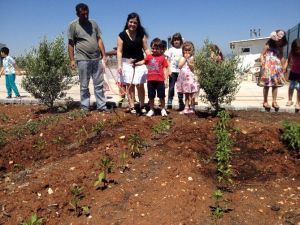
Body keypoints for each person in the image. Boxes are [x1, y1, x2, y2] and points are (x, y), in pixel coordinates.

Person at [68, 3, 108, 112]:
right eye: (82, 14)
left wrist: (104, 55)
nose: (85, 16)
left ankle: (102, 106)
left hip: (96, 58)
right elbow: (71, 43)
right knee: (84, 85)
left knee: (99, 84)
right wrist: (72, 60)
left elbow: (99, 39)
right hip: (82, 58)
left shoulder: (94, 24)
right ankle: (85, 107)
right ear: (77, 14)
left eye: (87, 13)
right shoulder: (73, 25)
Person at [117, 12, 151, 114]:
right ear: (127, 22)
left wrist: (149, 60)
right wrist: (119, 65)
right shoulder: (121, 35)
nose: (133, 24)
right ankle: (132, 106)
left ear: (138, 24)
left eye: (135, 23)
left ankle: (142, 105)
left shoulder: (141, 35)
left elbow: (146, 50)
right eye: (131, 22)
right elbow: (119, 51)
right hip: (126, 63)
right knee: (129, 85)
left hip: (139, 63)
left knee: (140, 85)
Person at [258, 30, 287, 110]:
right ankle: (265, 101)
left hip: (276, 68)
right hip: (268, 67)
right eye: (279, 40)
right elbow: (262, 54)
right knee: (266, 85)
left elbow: (281, 56)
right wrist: (262, 61)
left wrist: (283, 66)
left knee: (275, 85)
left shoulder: (280, 47)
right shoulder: (268, 45)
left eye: (281, 40)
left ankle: (274, 101)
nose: (280, 42)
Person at [140, 38, 168, 117]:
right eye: (153, 48)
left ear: (160, 49)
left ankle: (162, 109)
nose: (154, 50)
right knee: (151, 96)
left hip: (160, 81)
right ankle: (151, 109)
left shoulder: (163, 58)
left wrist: (166, 80)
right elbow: (143, 62)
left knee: (161, 96)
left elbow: (165, 69)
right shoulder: (149, 57)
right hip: (150, 80)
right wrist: (135, 63)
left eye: (156, 48)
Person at [177, 41, 199, 114]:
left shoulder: (193, 58)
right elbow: (179, 66)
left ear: (192, 50)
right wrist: (185, 59)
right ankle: (186, 107)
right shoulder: (182, 58)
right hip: (184, 79)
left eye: (189, 50)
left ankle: (192, 107)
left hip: (191, 79)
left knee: (192, 94)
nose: (187, 51)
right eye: (185, 50)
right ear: (183, 50)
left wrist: (188, 61)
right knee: (186, 94)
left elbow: (193, 68)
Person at [165, 33, 184, 110]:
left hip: (180, 72)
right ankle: (170, 100)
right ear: (172, 41)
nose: (176, 41)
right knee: (171, 87)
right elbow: (168, 61)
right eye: (175, 40)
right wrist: (168, 70)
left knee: (180, 87)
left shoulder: (182, 50)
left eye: (178, 40)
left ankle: (180, 100)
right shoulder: (170, 49)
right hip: (172, 71)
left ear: (180, 41)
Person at [284, 38, 300, 109]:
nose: (298, 51)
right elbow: (288, 59)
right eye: (296, 49)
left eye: (299, 49)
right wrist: (285, 66)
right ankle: (290, 100)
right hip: (293, 72)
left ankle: (297, 102)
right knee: (291, 87)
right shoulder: (292, 53)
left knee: (299, 88)